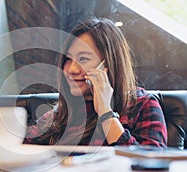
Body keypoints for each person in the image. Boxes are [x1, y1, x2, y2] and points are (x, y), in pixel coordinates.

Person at [24, 18, 167, 147]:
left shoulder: (142, 104)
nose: (72, 69)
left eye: (84, 59)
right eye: (68, 59)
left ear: (109, 64)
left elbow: (149, 165)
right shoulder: (58, 114)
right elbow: (20, 150)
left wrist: (106, 112)